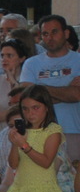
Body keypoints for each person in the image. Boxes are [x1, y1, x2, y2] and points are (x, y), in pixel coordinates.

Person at [0, 84, 70, 192]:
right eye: (25, 109)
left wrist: (24, 145)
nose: (30, 113)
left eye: (35, 108)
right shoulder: (23, 131)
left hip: (42, 191)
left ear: (47, 107)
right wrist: (14, 143)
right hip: (20, 189)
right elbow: (13, 164)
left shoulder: (53, 131)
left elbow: (46, 162)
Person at [20, 15, 80, 162]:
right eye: (45, 34)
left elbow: (77, 95)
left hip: (73, 131)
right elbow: (27, 99)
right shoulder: (31, 64)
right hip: (40, 132)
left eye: (54, 32)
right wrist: (67, 90)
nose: (50, 37)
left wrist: (39, 91)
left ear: (66, 34)